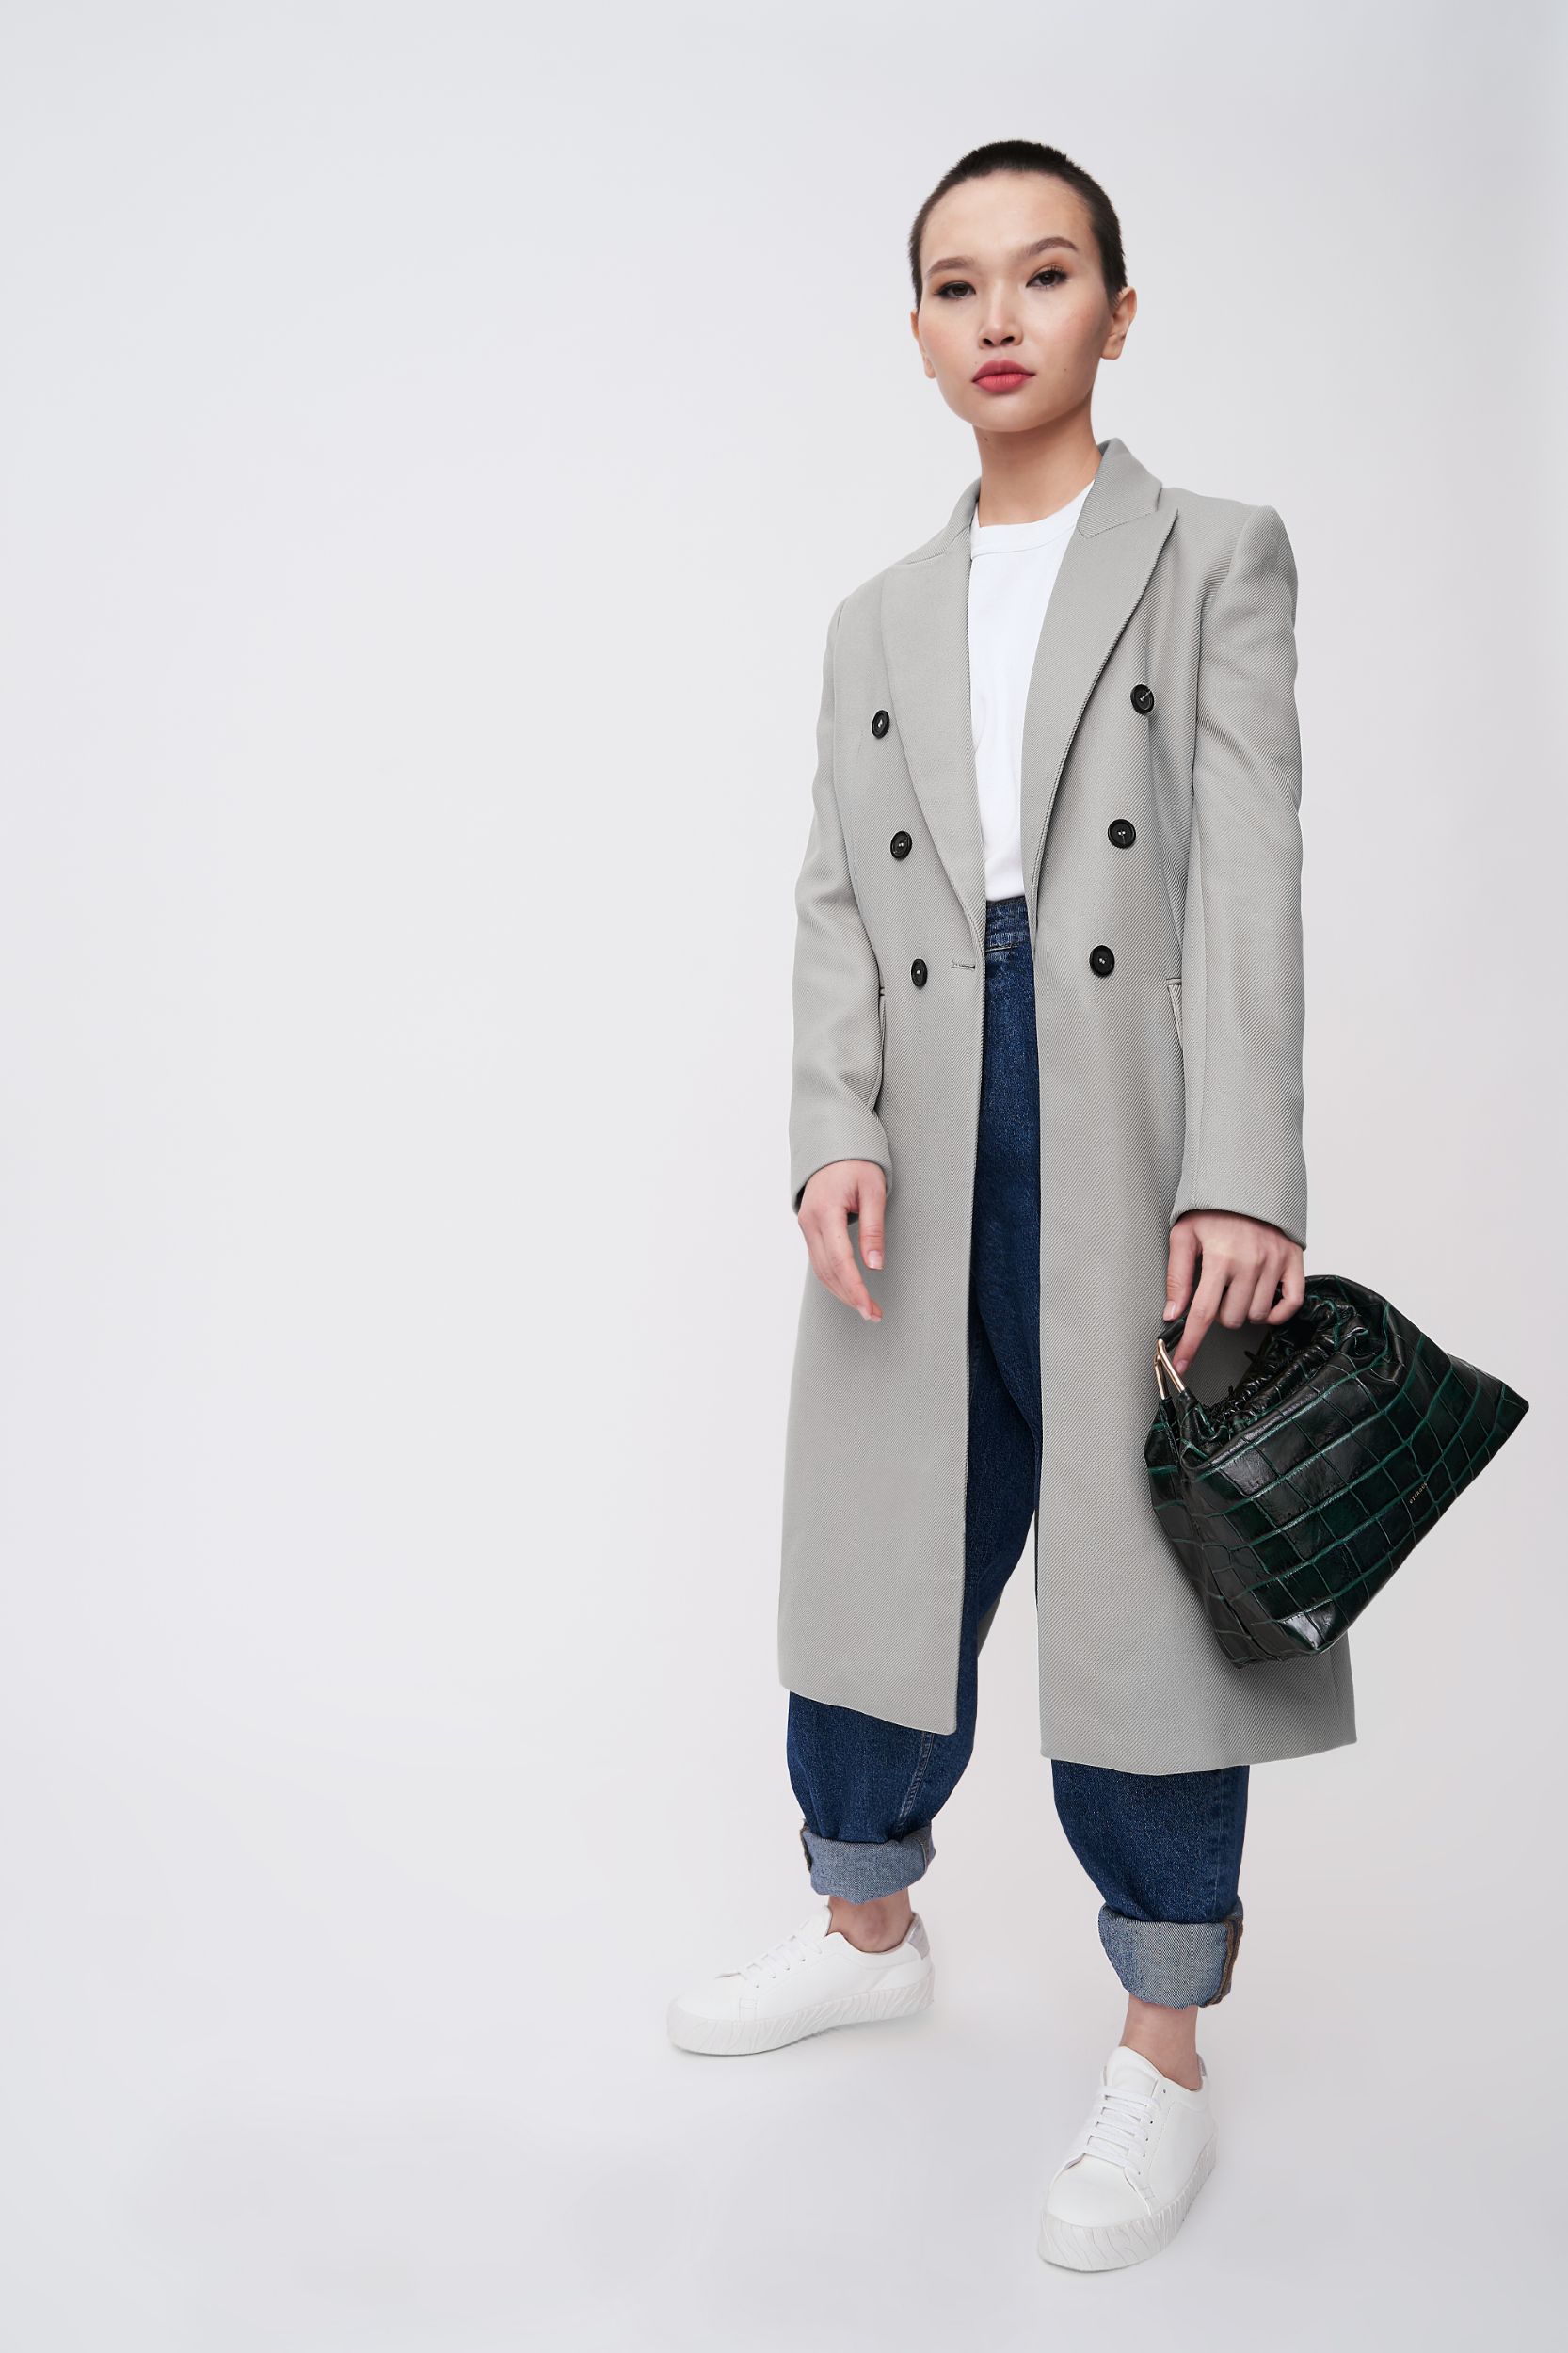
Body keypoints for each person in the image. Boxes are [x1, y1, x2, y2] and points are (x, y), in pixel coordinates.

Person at [666, 138, 1355, 2273]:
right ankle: (864, 1919)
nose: (998, 316)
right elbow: (825, 897)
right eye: (956, 284)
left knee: (1146, 1575)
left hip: (1123, 1100)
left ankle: (1159, 2046)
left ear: (1114, 314)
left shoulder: (1211, 553)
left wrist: (1238, 1168)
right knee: (889, 1536)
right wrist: (831, 1122)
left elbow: (1249, 874)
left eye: (1043, 274)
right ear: (915, 332)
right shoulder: (872, 614)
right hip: (921, 1086)